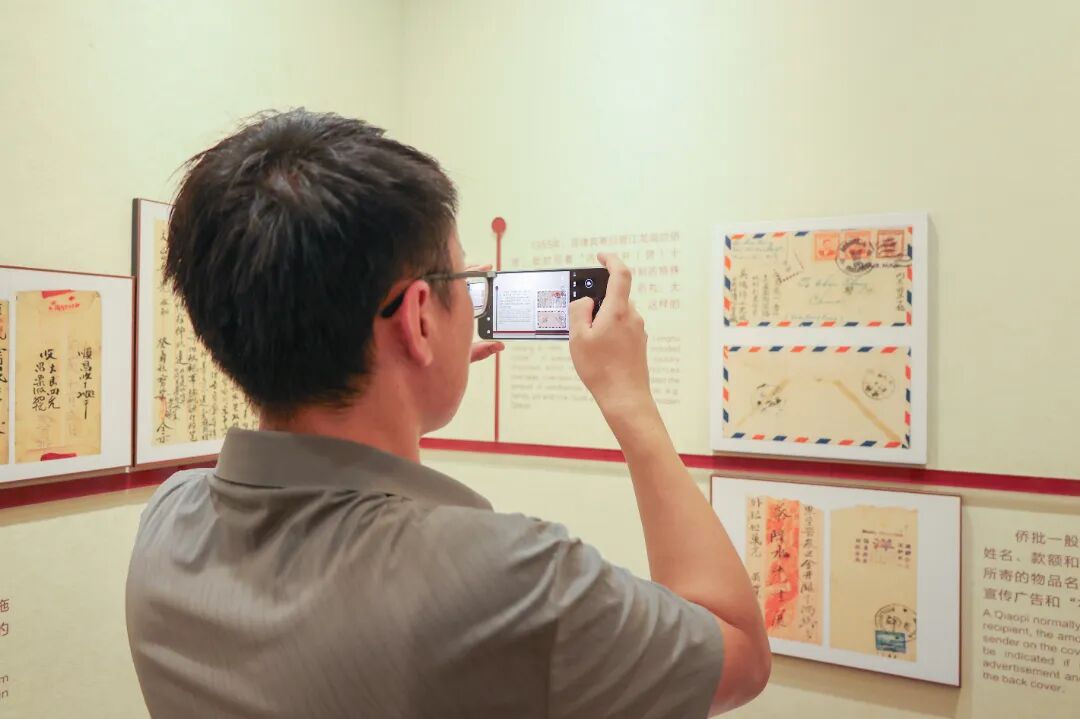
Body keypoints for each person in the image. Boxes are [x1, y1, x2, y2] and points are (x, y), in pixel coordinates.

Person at [125, 109, 770, 719]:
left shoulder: (168, 521)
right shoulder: (509, 576)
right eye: (461, 281)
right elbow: (737, 651)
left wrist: (418, 374)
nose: (470, 295)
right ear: (418, 320)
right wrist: (630, 400)